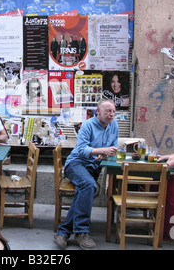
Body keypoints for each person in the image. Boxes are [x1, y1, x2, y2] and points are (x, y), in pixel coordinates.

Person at [54, 100, 118, 250]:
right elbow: (82, 149)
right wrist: (102, 151)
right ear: (98, 111)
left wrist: (105, 154)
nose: (111, 114)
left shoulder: (113, 124)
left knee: (86, 190)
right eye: (107, 111)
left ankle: (63, 232)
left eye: (113, 111)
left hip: (93, 166)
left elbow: (113, 146)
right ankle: (82, 231)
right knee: (89, 185)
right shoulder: (87, 125)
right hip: (76, 164)